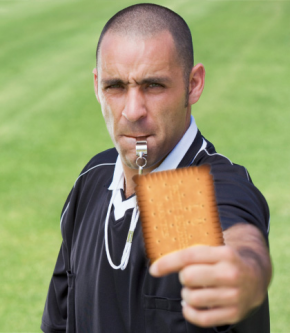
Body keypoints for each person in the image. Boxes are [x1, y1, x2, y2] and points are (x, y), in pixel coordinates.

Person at [41, 4, 271, 333]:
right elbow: (60, 322)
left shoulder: (189, 190)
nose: (133, 111)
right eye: (115, 87)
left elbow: (237, 234)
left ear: (193, 84)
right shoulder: (94, 179)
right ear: (96, 86)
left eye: (153, 86)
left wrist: (248, 269)